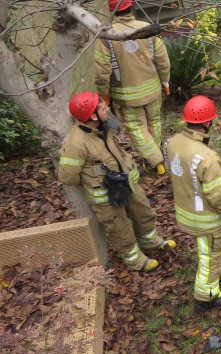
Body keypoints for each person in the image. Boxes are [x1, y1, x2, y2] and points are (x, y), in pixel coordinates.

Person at [58, 92, 176, 271]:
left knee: (143, 211)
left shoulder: (104, 126)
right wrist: (94, 178)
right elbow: (68, 176)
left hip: (125, 182)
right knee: (120, 227)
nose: (107, 108)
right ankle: (134, 259)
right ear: (92, 116)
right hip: (104, 193)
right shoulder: (76, 143)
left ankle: (149, 240)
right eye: (102, 107)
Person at [165, 95, 221, 311]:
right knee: (210, 255)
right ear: (208, 122)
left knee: (215, 246)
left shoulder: (174, 143)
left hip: (185, 209)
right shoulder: (207, 158)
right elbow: (219, 196)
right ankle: (207, 295)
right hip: (206, 219)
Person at [94, 0, 171, 174]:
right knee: (154, 122)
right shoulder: (147, 28)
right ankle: (157, 155)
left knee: (137, 128)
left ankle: (157, 162)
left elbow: (101, 72)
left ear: (110, 9)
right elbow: (163, 61)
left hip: (126, 97)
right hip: (153, 90)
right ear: (132, 5)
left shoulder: (106, 37)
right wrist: (165, 82)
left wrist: (103, 93)